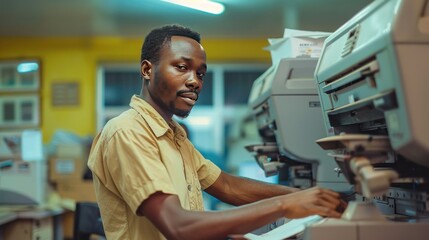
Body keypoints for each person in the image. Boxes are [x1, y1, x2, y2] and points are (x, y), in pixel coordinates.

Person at [87, 24, 346, 240]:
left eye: (200, 73)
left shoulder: (174, 136)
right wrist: (286, 205)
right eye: (182, 67)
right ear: (147, 70)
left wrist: (306, 197)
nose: (195, 81)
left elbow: (228, 186)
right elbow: (177, 225)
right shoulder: (128, 132)